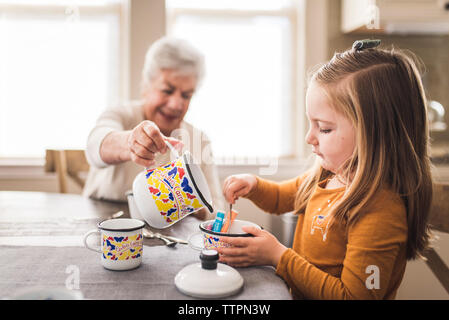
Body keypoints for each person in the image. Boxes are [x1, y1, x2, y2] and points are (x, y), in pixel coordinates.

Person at [218, 41, 433, 299]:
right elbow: (281, 197)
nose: (310, 137)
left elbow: (353, 297)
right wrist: (253, 184)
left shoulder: (379, 209)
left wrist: (278, 256)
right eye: (312, 124)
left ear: (375, 134)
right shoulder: (329, 174)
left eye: (325, 128)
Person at [83, 37, 223, 220]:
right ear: (146, 86)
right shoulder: (121, 115)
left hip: (170, 238)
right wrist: (130, 143)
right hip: (106, 228)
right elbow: (94, 146)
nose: (176, 104)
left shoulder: (199, 140)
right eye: (167, 90)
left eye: (186, 95)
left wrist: (196, 205)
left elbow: (217, 210)